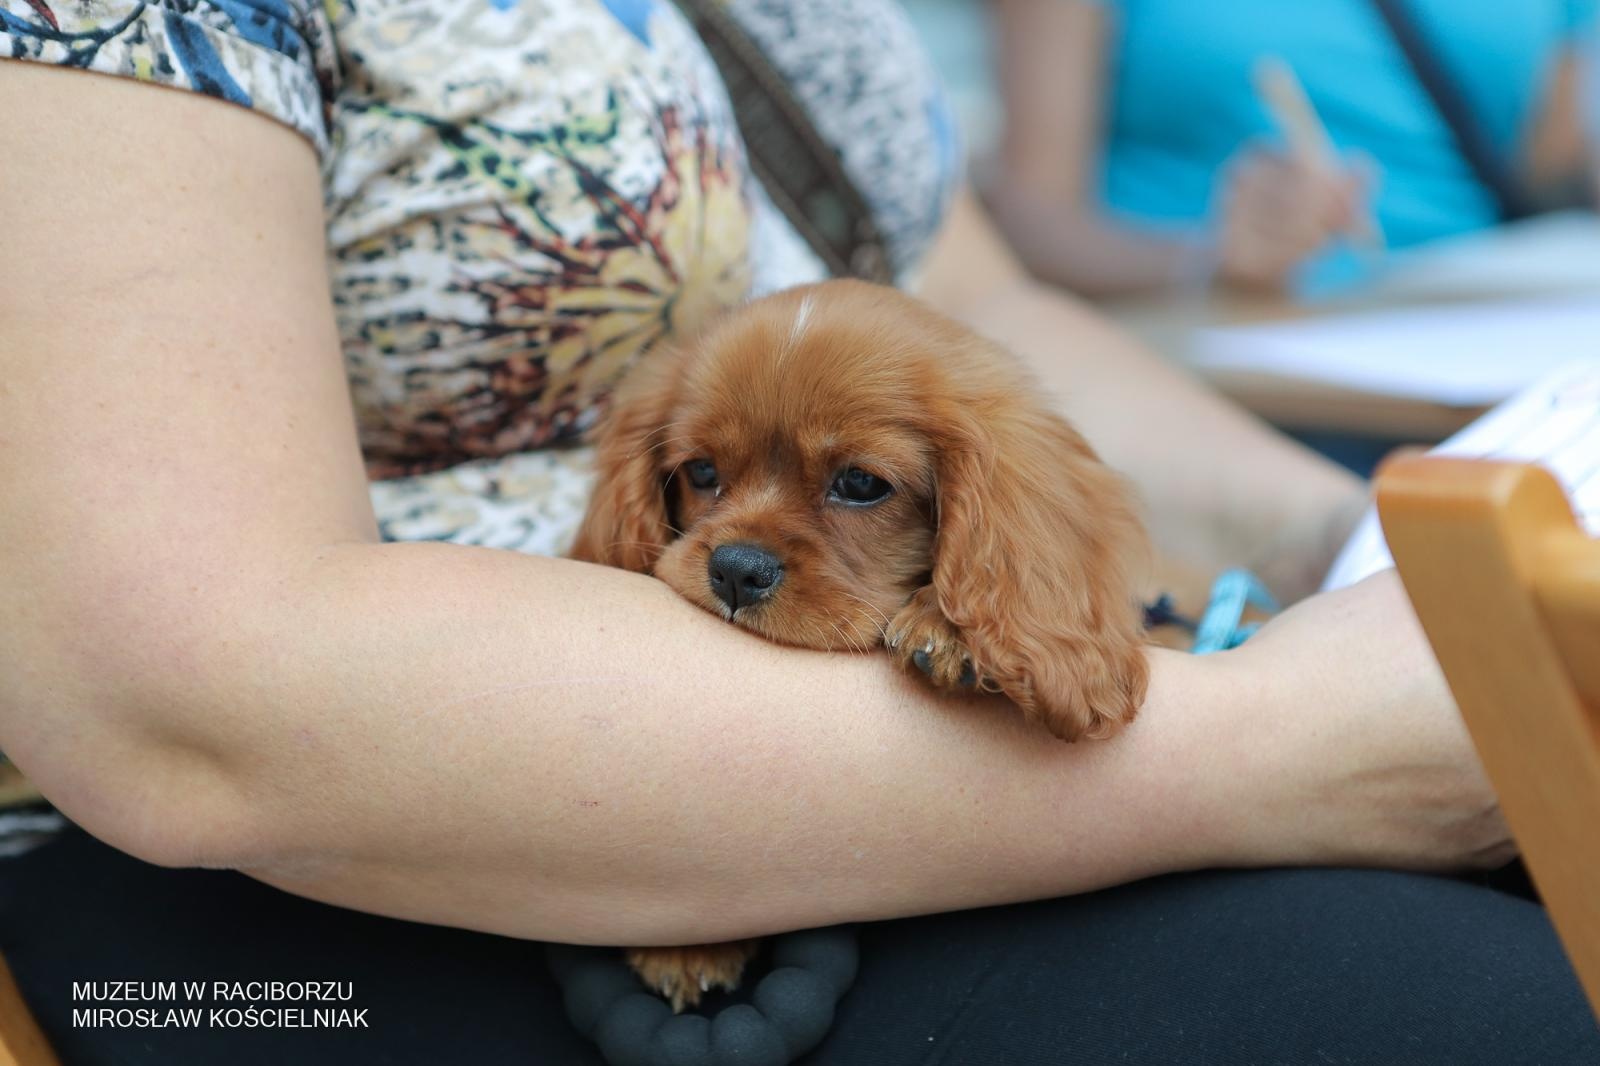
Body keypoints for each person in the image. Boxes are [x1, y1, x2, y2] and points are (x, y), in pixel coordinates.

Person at [0, 1, 1594, 1062]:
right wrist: (1277, 744)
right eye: (705, 489)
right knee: (1513, 1011)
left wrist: (1380, 551)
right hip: (309, 906)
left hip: (972, 759)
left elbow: (974, 311)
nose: (746, 541)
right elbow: (179, 704)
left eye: (846, 487)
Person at [983, 0, 1600, 298]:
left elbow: (1553, 165)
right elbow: (1029, 221)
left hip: (1482, 333)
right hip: (1233, 366)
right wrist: (1205, 263)